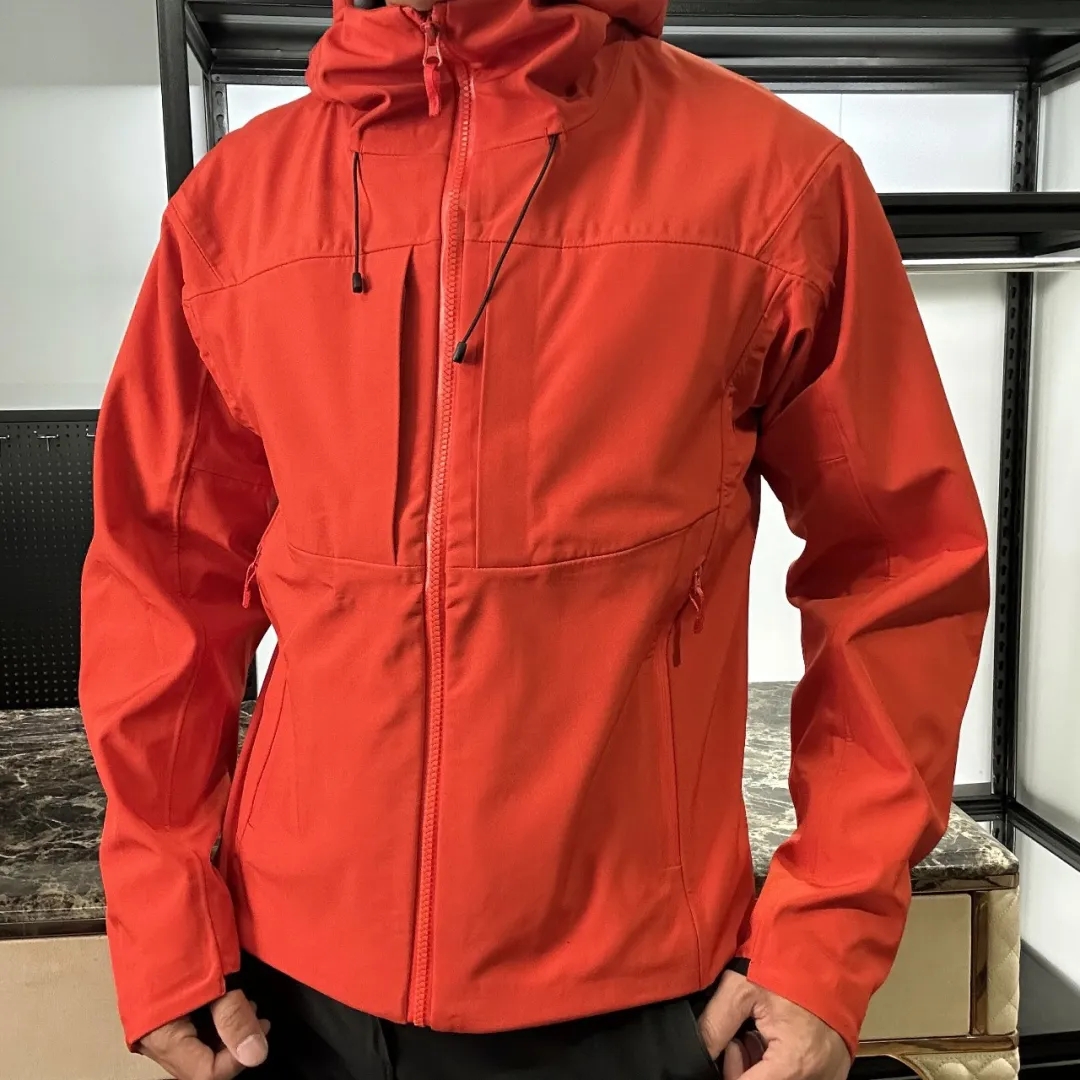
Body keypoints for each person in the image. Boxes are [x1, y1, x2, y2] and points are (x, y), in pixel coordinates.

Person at [79, 0, 990, 1076]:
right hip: (287, 996)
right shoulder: (235, 205)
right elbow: (160, 578)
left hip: (636, 997)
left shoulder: (774, 182)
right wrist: (167, 917)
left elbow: (898, 567)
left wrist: (826, 936)